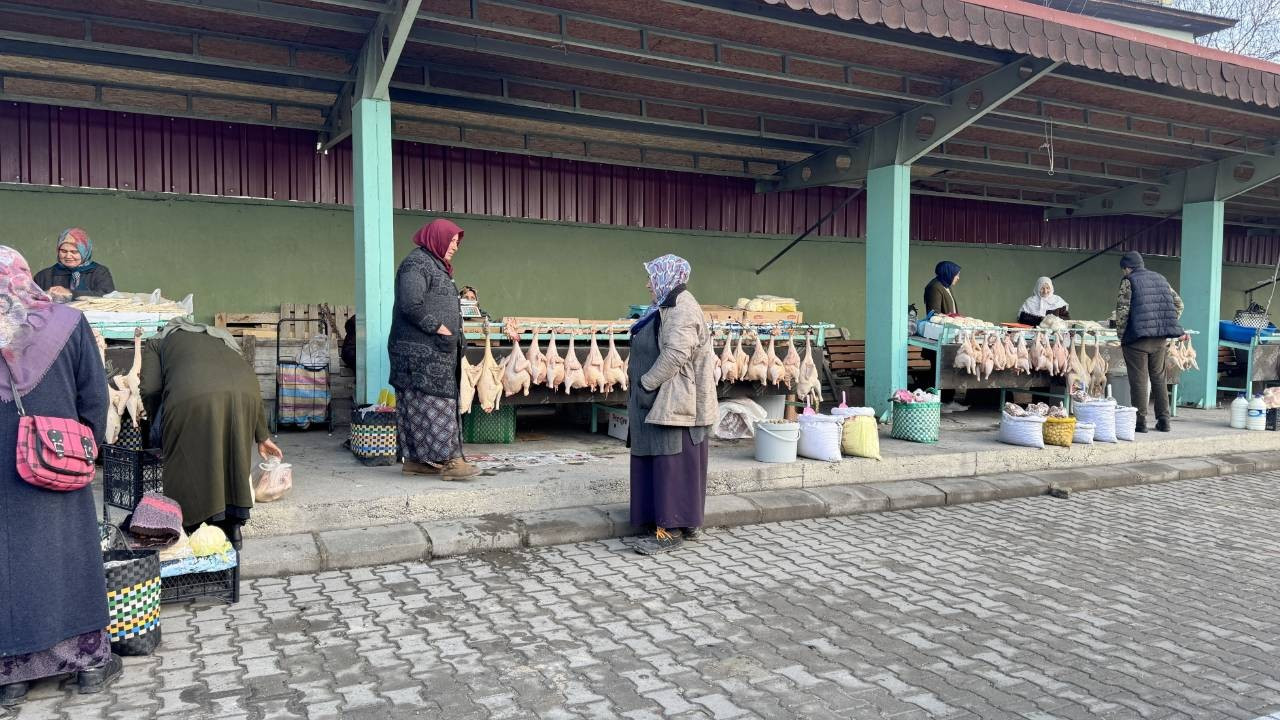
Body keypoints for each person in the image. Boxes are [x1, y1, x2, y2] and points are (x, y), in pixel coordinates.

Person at [0, 246, 122, 707]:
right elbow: (95, 396)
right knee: (67, 555)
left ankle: (11, 676)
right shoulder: (68, 325)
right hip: (57, 459)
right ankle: (87, 663)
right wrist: (85, 448)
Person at [140, 318, 282, 546]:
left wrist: (159, 420)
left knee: (184, 466)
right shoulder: (219, 337)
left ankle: (194, 529)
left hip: (191, 396)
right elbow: (242, 379)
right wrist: (262, 435)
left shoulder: (158, 342)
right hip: (246, 393)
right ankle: (233, 528)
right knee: (233, 457)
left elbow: (150, 388)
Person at [628, 254, 718, 555]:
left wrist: (646, 383)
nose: (648, 284)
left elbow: (676, 354)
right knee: (662, 462)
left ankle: (672, 529)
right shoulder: (667, 305)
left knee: (673, 464)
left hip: (677, 401)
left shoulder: (682, 307)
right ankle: (666, 520)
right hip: (662, 401)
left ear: (666, 277)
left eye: (651, 278)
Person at [389, 219, 479, 480]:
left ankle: (416, 461)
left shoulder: (436, 265)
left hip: (433, 352)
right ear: (436, 238)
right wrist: (439, 327)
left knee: (420, 405)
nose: (455, 247)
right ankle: (451, 462)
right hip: (418, 353)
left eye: (456, 243)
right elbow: (410, 304)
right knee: (437, 404)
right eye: (451, 241)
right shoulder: (416, 265)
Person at [1115, 251, 1184, 433]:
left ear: (1127, 268)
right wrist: (1163, 322)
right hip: (1159, 339)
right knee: (1159, 379)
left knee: (1139, 380)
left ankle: (1140, 422)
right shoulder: (1160, 278)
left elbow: (1122, 311)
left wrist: (1121, 335)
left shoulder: (1129, 281)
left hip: (1137, 339)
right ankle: (1164, 420)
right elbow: (1179, 304)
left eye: (1124, 270)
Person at [32, 228, 116, 301]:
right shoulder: (43, 276)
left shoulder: (99, 272)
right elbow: (29, 300)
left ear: (85, 252)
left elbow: (109, 297)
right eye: (63, 251)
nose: (68, 256)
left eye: (74, 252)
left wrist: (70, 293)